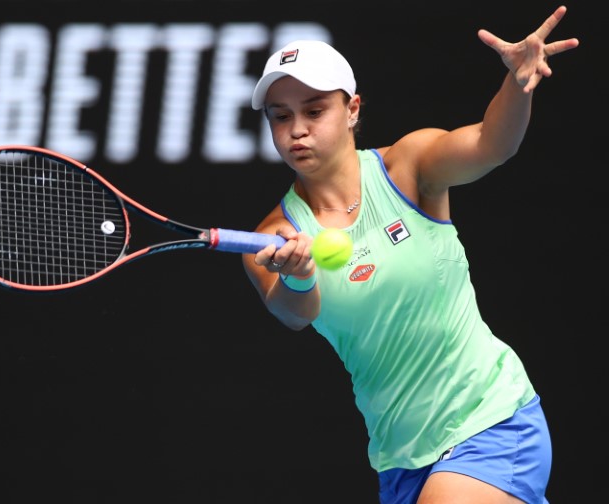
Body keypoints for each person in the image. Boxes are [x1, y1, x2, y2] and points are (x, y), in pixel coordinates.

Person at [242, 5, 578, 504]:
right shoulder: (273, 236)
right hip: (401, 459)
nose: (297, 130)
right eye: (281, 117)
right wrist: (298, 276)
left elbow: (492, 143)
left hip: (489, 417)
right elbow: (294, 314)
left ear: (352, 110)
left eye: (315, 111)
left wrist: (517, 82)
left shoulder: (408, 167)